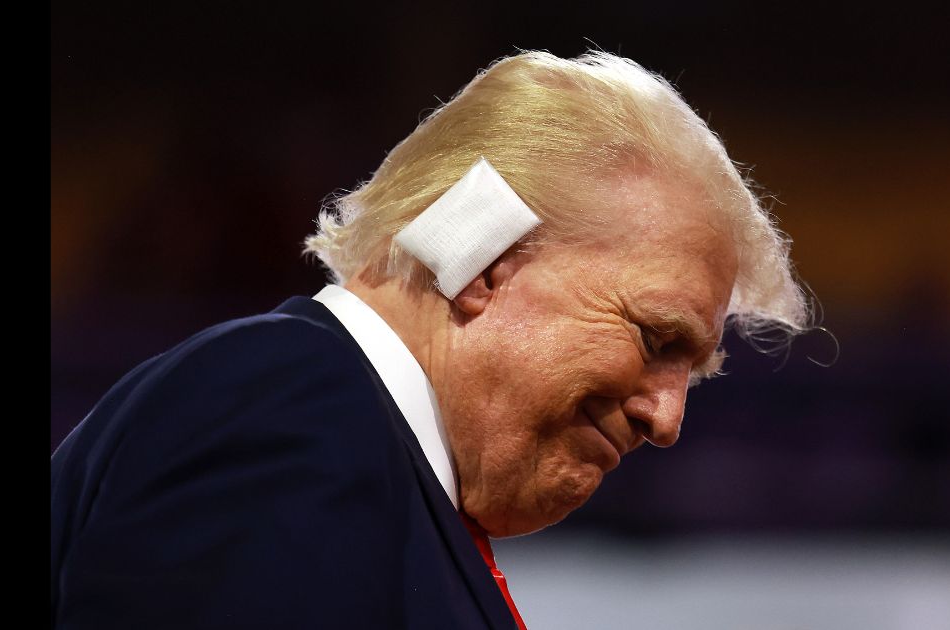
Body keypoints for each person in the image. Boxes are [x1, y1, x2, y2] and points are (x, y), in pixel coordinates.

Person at [50, 50, 809, 629]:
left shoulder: (352, 448)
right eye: (655, 339)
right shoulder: (292, 416)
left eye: (692, 372)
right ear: (484, 266)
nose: (668, 419)